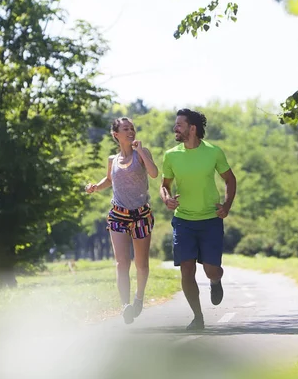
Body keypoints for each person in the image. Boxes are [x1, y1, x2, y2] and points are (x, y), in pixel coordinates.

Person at [160, 108, 237, 330]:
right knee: (187, 269)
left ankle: (215, 280)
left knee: (211, 269)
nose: (175, 128)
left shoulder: (213, 152)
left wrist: (227, 206)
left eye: (179, 125)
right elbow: (164, 185)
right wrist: (167, 200)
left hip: (210, 220)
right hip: (183, 220)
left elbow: (230, 180)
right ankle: (198, 317)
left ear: (192, 128)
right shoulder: (171, 155)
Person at [85, 117, 158, 324]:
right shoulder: (112, 160)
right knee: (121, 263)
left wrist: (142, 151)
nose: (131, 132)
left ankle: (139, 298)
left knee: (141, 264)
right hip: (118, 214)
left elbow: (153, 174)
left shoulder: (142, 155)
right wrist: (95, 187)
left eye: (132, 128)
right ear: (116, 135)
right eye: (126, 129)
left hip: (141, 215)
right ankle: (125, 305)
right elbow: (109, 179)